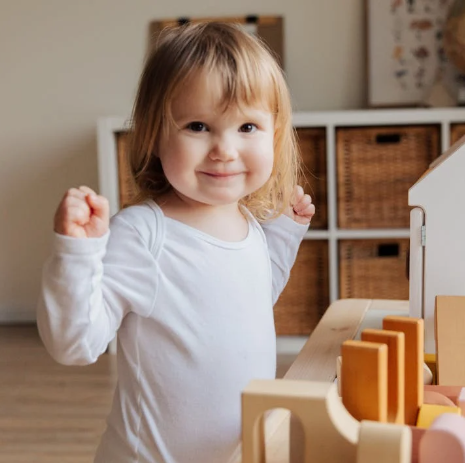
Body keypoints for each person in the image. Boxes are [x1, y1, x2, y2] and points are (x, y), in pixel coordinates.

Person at [37, 22, 314, 463]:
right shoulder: (143, 235)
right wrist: (77, 254)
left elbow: (254, 300)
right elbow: (76, 344)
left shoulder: (248, 224)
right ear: (155, 135)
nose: (224, 149)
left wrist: (282, 235)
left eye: (247, 126)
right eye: (199, 125)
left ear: (275, 136)